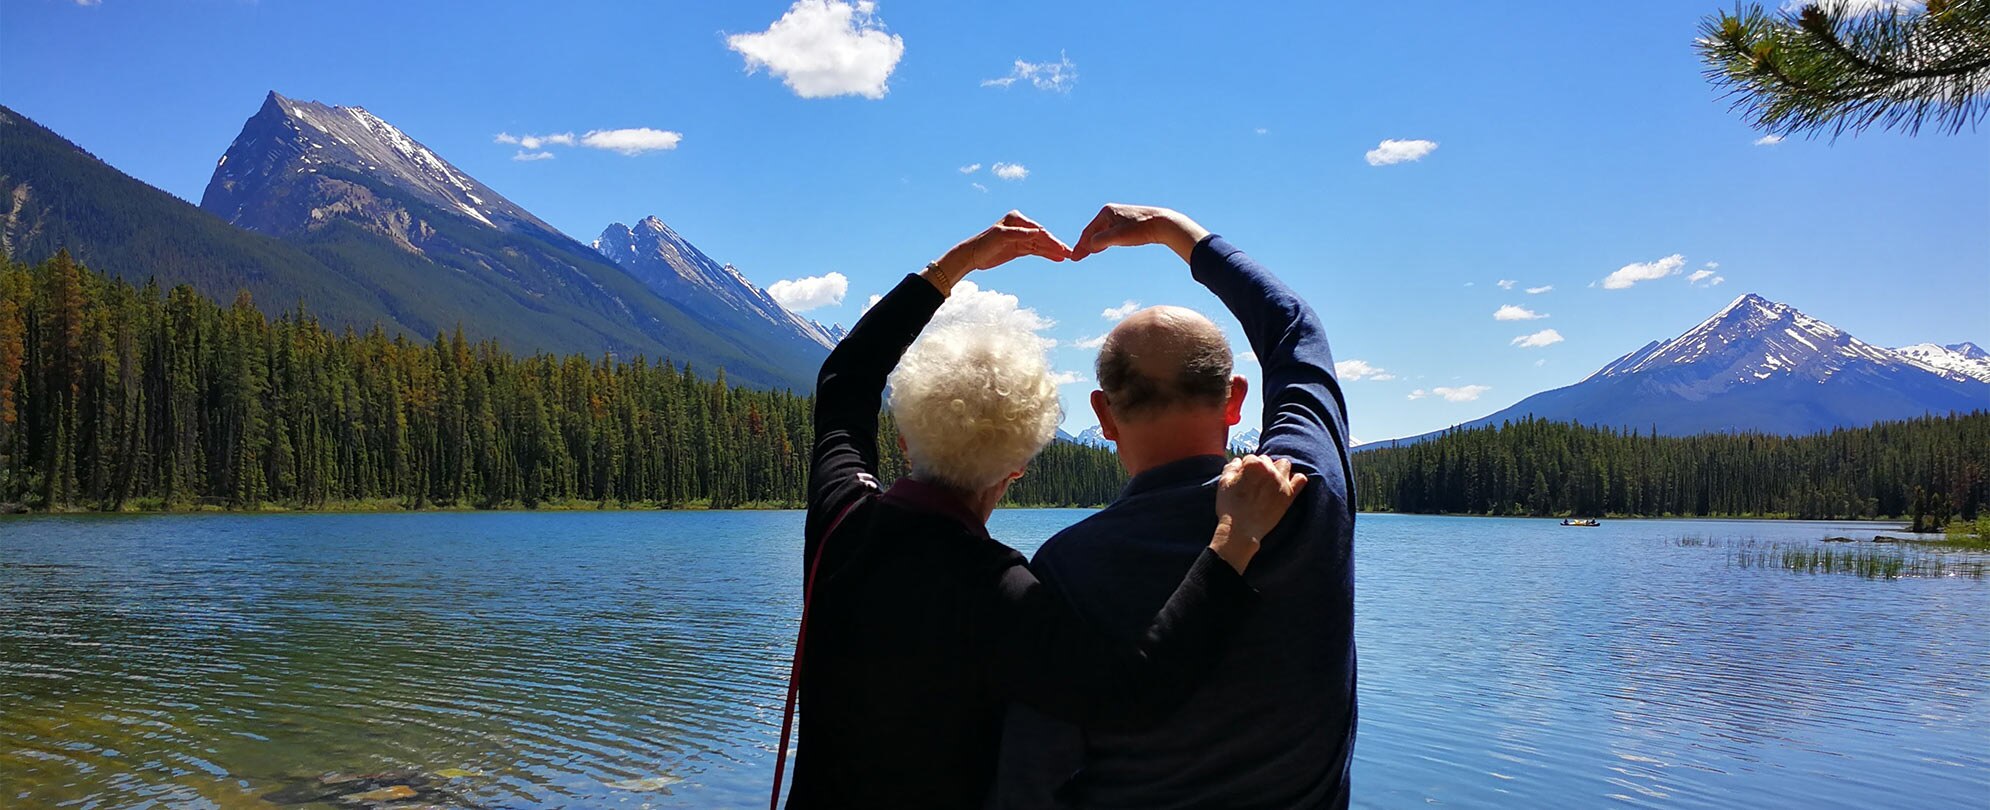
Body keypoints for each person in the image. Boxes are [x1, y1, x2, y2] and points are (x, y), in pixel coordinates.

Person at [788, 211, 1311, 808]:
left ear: (905, 438)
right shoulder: (1002, 592)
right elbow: (1135, 691)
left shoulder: (843, 516)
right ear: (1018, 466)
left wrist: (955, 266)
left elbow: (847, 377)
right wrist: (1234, 537)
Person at [996, 205, 1357, 809]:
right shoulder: (1305, 490)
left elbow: (1032, 778)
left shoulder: (1065, 567)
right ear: (1235, 400)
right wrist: (1176, 232)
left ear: (1104, 415)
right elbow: (1295, 330)